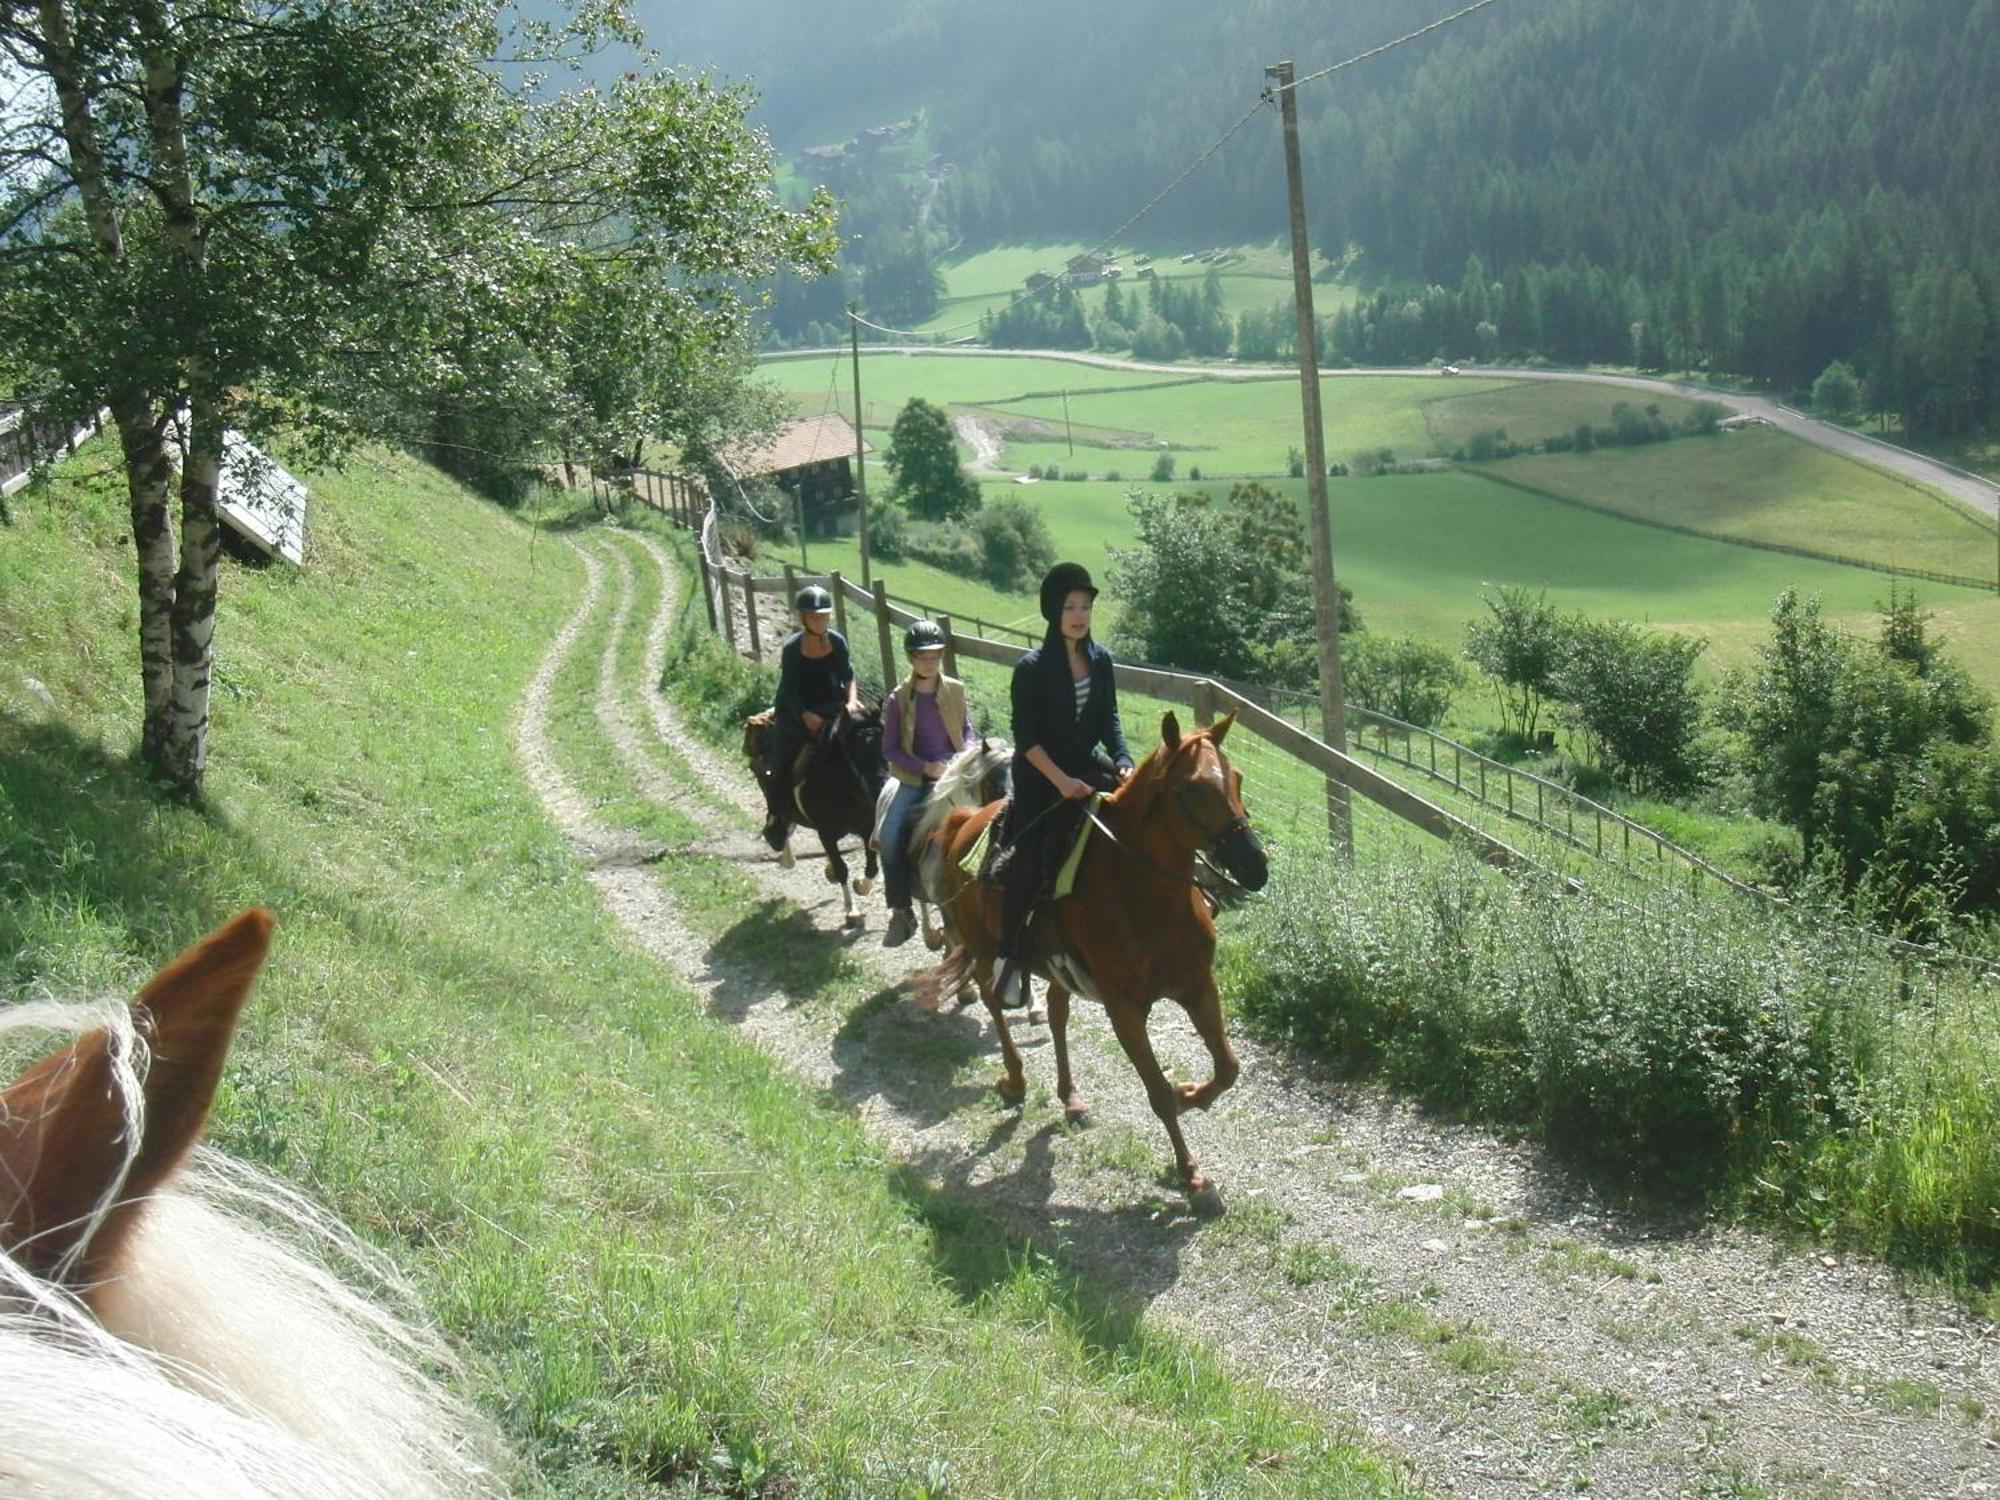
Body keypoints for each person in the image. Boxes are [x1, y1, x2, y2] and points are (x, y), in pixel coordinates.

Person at [993, 561, 1133, 1007]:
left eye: (1086, 607)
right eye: (1071, 606)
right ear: (1054, 611)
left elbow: (1109, 716)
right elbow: (1026, 739)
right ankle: (1008, 960)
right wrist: (1062, 781)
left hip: (1087, 764)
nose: (1079, 615)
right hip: (1040, 776)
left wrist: (1125, 760)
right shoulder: (1031, 668)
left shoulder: (1101, 659)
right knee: (1029, 860)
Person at [878, 618, 974, 948]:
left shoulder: (956, 691)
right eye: (922, 657)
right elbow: (889, 748)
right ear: (911, 659)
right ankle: (901, 909)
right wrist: (924, 767)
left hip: (953, 773)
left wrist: (963, 758)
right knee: (889, 836)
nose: (929, 663)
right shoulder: (898, 699)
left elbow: (967, 732)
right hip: (915, 778)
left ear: (942, 656)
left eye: (934, 656)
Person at [762, 583, 860, 850]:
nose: (820, 620)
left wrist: (852, 701)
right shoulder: (792, 648)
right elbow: (790, 690)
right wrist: (806, 715)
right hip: (796, 712)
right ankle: (777, 813)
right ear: (803, 618)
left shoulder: (837, 641)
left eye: (824, 615)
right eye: (814, 616)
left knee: (865, 744)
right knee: (780, 762)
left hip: (831, 706)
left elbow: (848, 675)